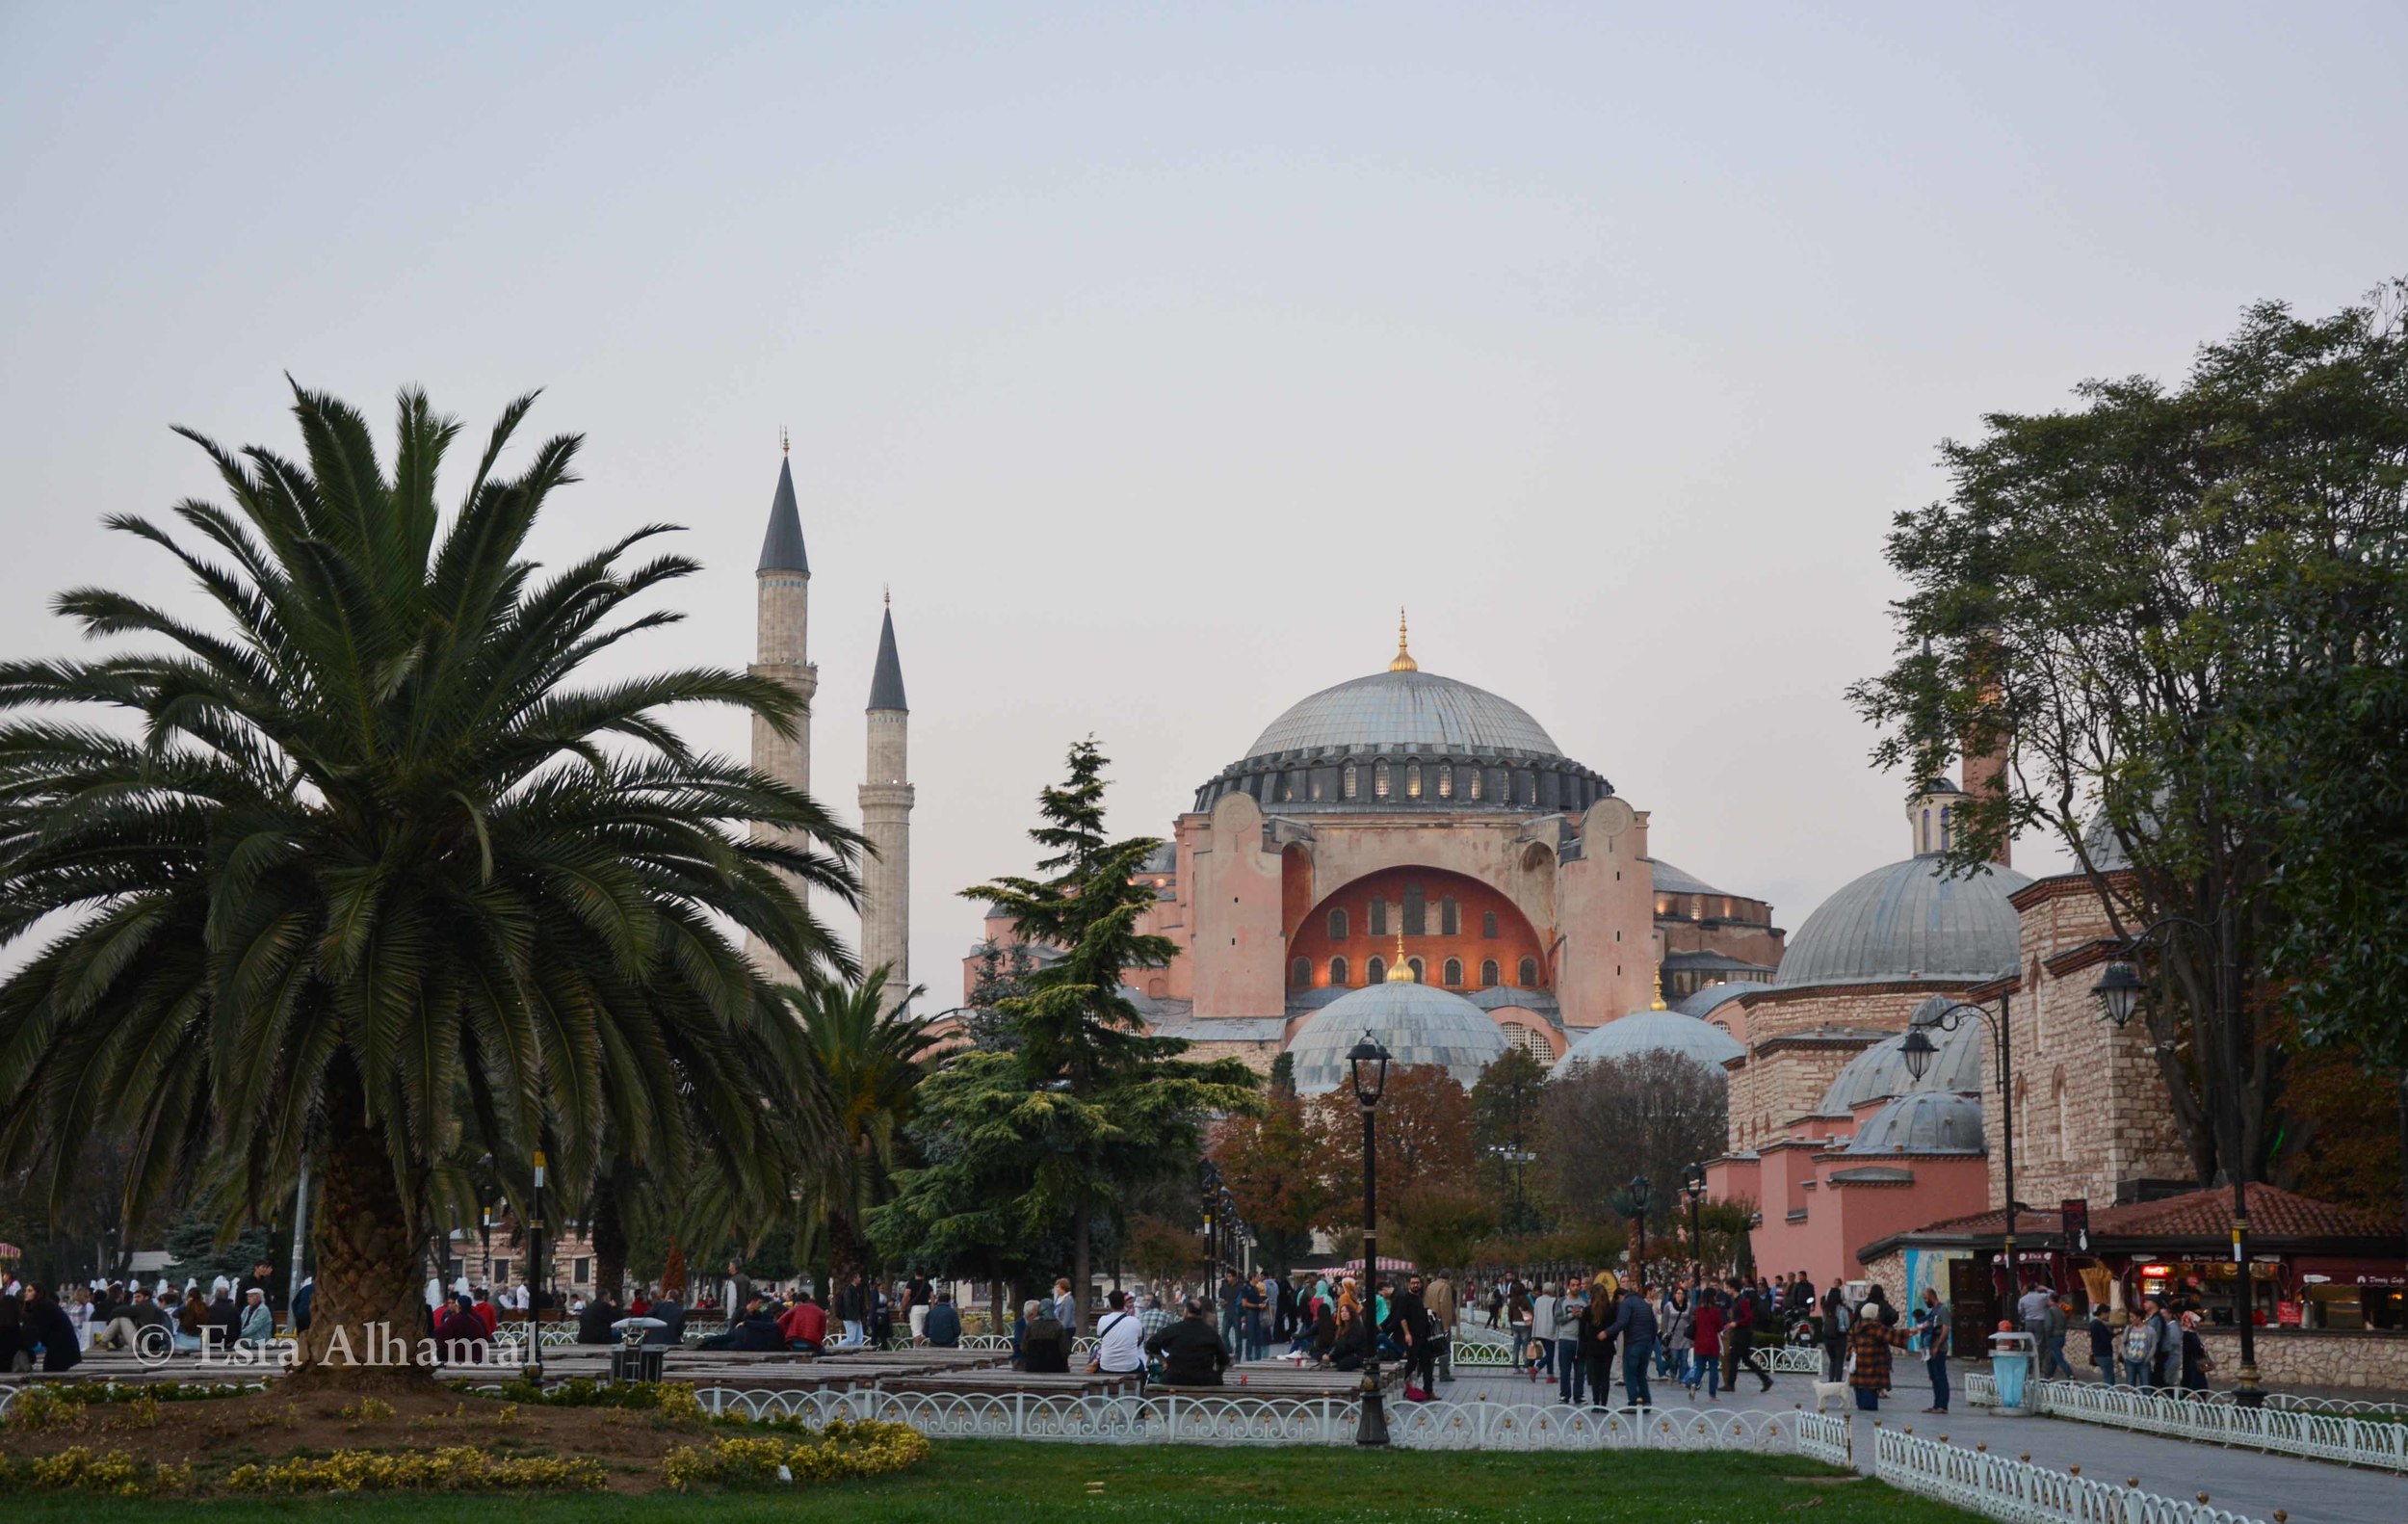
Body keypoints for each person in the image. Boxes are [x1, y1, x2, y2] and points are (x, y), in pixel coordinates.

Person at [1147, 1297, 1232, 1385]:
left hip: (1174, 1380)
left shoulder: (1173, 1330)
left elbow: (1151, 1345)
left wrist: (1164, 1362)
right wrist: (1218, 1373)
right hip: (1204, 1381)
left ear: (1186, 1312)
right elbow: (1224, 1360)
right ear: (1201, 1313)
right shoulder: (1211, 1333)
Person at [1847, 1301, 1907, 1411]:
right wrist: (1910, 1333)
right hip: (1872, 1367)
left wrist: (1851, 1351)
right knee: (1870, 1403)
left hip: (1859, 1367)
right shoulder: (1875, 1327)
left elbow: (1850, 1341)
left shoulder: (1857, 1325)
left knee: (1861, 1400)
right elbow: (1892, 1336)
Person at [1609, 1281, 1659, 1408]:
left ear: (1622, 1297)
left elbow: (1622, 1323)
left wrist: (1606, 1333)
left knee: (1629, 1374)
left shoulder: (1626, 1303)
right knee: (1641, 1374)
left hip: (1633, 1343)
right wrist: (1651, 1342)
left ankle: (1633, 1402)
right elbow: (1654, 1325)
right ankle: (1646, 1401)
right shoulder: (1645, 1304)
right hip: (1647, 1344)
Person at [1721, 1276, 1772, 1394]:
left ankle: (1730, 1384)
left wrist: (1736, 1323)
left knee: (1733, 1358)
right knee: (1746, 1360)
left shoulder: (1742, 1300)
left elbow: (1749, 1317)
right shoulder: (1735, 1300)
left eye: (1728, 1287)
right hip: (1739, 1332)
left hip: (1743, 1333)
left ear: (1733, 1288)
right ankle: (1766, 1379)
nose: (1726, 1289)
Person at [1091, 1288, 1148, 1386]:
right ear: (1123, 1303)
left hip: (1106, 1366)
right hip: (1130, 1366)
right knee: (1143, 1368)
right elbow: (1138, 1340)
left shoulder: (1102, 1320)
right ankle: (1141, 1395)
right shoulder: (1135, 1321)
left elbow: (1101, 1336)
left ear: (1110, 1304)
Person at [1580, 1272, 1617, 1408]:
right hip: (1607, 1347)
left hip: (1592, 1347)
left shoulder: (1588, 1311)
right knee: (1605, 1376)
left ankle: (1596, 1402)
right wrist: (1608, 1336)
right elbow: (1615, 1330)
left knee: (1595, 1377)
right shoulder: (1611, 1311)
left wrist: (1585, 1342)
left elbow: (1582, 1330)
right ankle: (1604, 1403)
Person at [1915, 1286, 1952, 1413]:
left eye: (1925, 1298)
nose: (1925, 1301)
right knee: (1934, 1377)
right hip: (1930, 1349)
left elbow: (1945, 1330)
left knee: (1940, 1376)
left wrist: (1937, 1346)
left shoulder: (1943, 1310)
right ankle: (1936, 1404)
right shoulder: (1933, 1311)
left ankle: (1943, 1405)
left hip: (1939, 1349)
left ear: (1931, 1297)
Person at [1553, 1277, 1587, 1404]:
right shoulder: (1561, 1301)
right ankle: (1564, 1394)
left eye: (1578, 1285)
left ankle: (1579, 1395)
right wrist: (1572, 1315)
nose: (1576, 1287)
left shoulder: (1584, 1302)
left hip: (1580, 1340)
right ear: (1569, 1286)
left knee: (1580, 1370)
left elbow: (1590, 1319)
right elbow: (1557, 1320)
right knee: (1565, 1369)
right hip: (1565, 1339)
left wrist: (1582, 1316)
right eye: (1573, 1285)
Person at [435, 1292, 489, 1363]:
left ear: (459, 1307)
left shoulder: (454, 1320)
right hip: (477, 1356)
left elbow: (442, 1335)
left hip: (457, 1356)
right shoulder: (476, 1319)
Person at [1689, 1287, 1723, 1400]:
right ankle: (1712, 1395)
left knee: (1700, 1367)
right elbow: (1719, 1327)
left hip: (1699, 1343)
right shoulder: (1716, 1311)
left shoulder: (1698, 1310)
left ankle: (1694, 1383)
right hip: (1712, 1344)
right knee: (1713, 1368)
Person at [1021, 1299, 1071, 1373]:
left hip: (1033, 1367)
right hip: (1056, 1368)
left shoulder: (1030, 1326)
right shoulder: (1059, 1326)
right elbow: (1065, 1350)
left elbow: (1023, 1347)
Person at [1424, 1273, 1457, 1381]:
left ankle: (1429, 1373)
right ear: (1448, 1278)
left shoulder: (1431, 1286)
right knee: (1444, 1349)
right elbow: (1445, 1306)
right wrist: (1447, 1325)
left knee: (1432, 1348)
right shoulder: (1445, 1287)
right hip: (1440, 1321)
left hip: (1430, 1319)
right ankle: (1444, 1374)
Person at [2119, 1303, 2161, 1387]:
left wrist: (2148, 1358)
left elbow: (2153, 1345)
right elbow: (2124, 1342)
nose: (2131, 1319)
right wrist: (2125, 1356)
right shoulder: (2129, 1329)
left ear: (2139, 1317)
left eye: (2133, 1317)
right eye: (2130, 1317)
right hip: (2130, 1361)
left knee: (2146, 1385)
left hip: (2143, 1362)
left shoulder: (2150, 1330)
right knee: (2130, 1385)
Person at [1529, 1281, 1559, 1382]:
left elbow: (1535, 1315)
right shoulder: (1554, 1301)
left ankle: (1550, 1376)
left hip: (1539, 1330)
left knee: (1548, 1354)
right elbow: (1556, 1316)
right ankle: (1536, 1368)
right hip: (1549, 1330)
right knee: (1550, 1355)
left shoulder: (1538, 1300)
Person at [2039, 1293, 2074, 1379]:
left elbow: (2048, 1325)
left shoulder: (2051, 1311)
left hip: (2054, 1336)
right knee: (2053, 1359)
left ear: (2050, 1300)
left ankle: (2070, 1374)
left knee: (2059, 1358)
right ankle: (2047, 1377)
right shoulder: (2061, 1310)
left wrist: (2047, 1336)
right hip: (2061, 1336)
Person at [2177, 1311, 2212, 1391]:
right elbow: (2192, 1349)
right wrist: (2202, 1349)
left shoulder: (2192, 1333)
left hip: (2194, 1363)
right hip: (2193, 1364)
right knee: (2195, 1383)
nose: (2198, 1324)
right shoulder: (2188, 1334)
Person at [1241, 1272, 1269, 1361]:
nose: (1259, 1278)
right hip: (1251, 1313)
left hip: (1257, 1313)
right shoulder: (1246, 1288)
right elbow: (1244, 1303)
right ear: (1252, 1278)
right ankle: (1249, 1356)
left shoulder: (1256, 1288)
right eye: (1257, 1277)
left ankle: (1258, 1357)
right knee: (1251, 1335)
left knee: (1258, 1335)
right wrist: (1257, 1305)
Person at [835, 1273, 867, 1349]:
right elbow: (848, 1305)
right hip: (850, 1318)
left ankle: (857, 1354)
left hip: (856, 1318)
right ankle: (835, 1348)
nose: (860, 1279)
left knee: (859, 1339)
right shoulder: (848, 1290)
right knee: (850, 1339)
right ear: (854, 1279)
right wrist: (854, 1317)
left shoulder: (856, 1290)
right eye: (858, 1277)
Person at [2088, 1304, 2117, 1382]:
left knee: (2107, 1375)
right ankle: (2109, 1394)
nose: (2108, 1316)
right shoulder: (2099, 1325)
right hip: (2104, 1353)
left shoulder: (2093, 1323)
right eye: (2108, 1314)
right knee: (2109, 1378)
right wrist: (2112, 1334)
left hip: (2097, 1353)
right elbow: (2105, 1339)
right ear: (2103, 1313)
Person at [905, 1272, 933, 1343]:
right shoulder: (927, 1284)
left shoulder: (911, 1283)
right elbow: (932, 1298)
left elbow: (906, 1296)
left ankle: (917, 1350)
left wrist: (902, 1309)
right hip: (926, 1308)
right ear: (923, 1275)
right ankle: (925, 1349)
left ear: (915, 1274)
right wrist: (932, 1309)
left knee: (917, 1332)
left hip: (916, 1308)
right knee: (924, 1331)